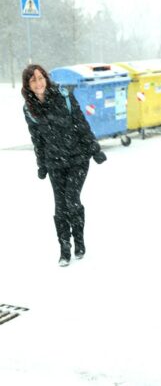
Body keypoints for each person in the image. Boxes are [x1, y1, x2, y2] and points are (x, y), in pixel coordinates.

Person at [22, 64, 107, 267]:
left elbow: (80, 123)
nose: (38, 83)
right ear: (28, 85)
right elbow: (37, 139)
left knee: (71, 198)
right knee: (60, 206)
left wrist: (94, 149)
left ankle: (79, 241)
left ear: (46, 78)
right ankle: (64, 248)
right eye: (33, 80)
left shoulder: (63, 96)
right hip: (55, 162)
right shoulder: (29, 108)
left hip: (78, 158)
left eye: (40, 78)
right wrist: (41, 164)